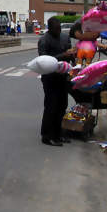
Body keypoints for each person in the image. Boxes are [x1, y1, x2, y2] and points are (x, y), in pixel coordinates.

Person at [37, 17, 76, 146]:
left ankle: (59, 133)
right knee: (51, 106)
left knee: (62, 105)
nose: (59, 31)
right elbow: (43, 60)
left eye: (59, 28)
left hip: (63, 77)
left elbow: (70, 55)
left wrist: (73, 57)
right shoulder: (44, 40)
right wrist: (62, 56)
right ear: (49, 28)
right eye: (56, 29)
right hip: (50, 78)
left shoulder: (65, 38)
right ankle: (47, 136)